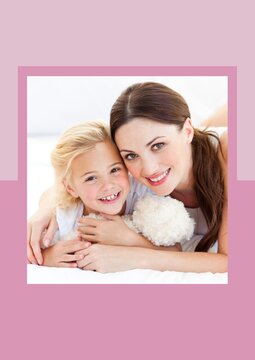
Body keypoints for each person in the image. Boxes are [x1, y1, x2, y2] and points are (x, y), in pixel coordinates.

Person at [28, 82, 228, 273]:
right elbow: (74, 185)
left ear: (187, 131)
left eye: (158, 145)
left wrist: (132, 256)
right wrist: (45, 210)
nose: (149, 169)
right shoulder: (132, 175)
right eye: (131, 155)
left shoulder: (228, 150)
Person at [29, 120, 180, 268]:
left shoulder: (143, 196)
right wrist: (46, 257)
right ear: (71, 188)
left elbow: (176, 251)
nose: (108, 185)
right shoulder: (67, 216)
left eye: (115, 170)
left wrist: (129, 239)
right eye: (91, 178)